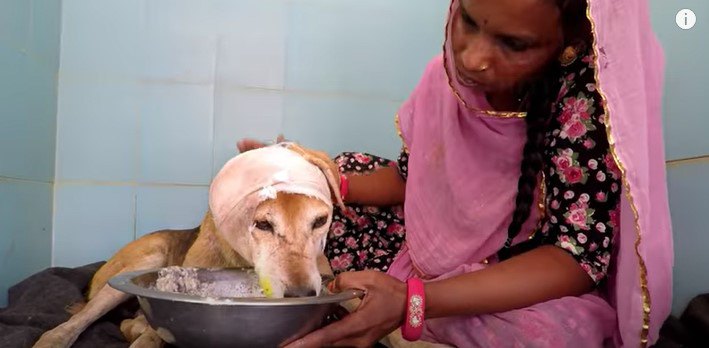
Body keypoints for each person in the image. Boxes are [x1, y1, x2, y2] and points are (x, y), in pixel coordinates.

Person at [239, 0, 672, 347]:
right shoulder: (445, 75)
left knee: (554, 334)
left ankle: (396, 306)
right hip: (427, 254)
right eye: (467, 20)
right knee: (347, 170)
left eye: (513, 44)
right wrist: (311, 182)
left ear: (569, 41)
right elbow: (410, 180)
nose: (472, 57)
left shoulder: (587, 103)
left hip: (517, 275)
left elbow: (576, 257)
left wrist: (415, 301)